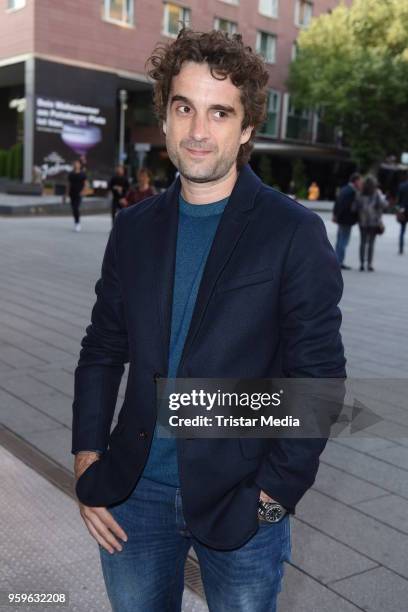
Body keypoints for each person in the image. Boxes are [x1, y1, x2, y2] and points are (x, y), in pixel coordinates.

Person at [72, 29, 346, 612]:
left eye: (220, 112)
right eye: (184, 108)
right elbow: (102, 347)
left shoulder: (292, 233)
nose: (199, 131)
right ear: (166, 120)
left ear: (246, 128)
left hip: (240, 499)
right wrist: (88, 455)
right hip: (133, 494)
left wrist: (274, 497)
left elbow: (318, 379)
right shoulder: (134, 228)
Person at [354, 175, 387, 272]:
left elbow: (354, 207)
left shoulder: (359, 193)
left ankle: (361, 264)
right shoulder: (376, 193)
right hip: (373, 222)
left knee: (363, 242)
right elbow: (383, 205)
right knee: (371, 243)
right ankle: (369, 264)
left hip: (362, 221)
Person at [333, 172, 363, 270]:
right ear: (355, 181)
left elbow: (337, 203)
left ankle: (336, 261)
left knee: (339, 240)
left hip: (341, 219)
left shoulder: (344, 189)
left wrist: (335, 215)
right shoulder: (352, 192)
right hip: (346, 220)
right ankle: (339, 261)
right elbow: (349, 207)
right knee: (343, 241)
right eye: (359, 181)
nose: (361, 183)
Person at [67, 159, 87, 232]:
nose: (76, 165)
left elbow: (85, 184)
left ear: (80, 165)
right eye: (75, 163)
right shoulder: (71, 174)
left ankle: (78, 223)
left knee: (76, 208)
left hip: (79, 194)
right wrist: (66, 194)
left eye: (77, 163)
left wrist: (83, 191)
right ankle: (76, 222)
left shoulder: (82, 174)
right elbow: (69, 184)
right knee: (73, 208)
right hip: (72, 193)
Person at [396, 172, 408, 254]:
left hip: (403, 210)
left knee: (402, 231)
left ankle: (401, 248)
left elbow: (398, 200)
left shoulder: (402, 186)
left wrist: (398, 209)